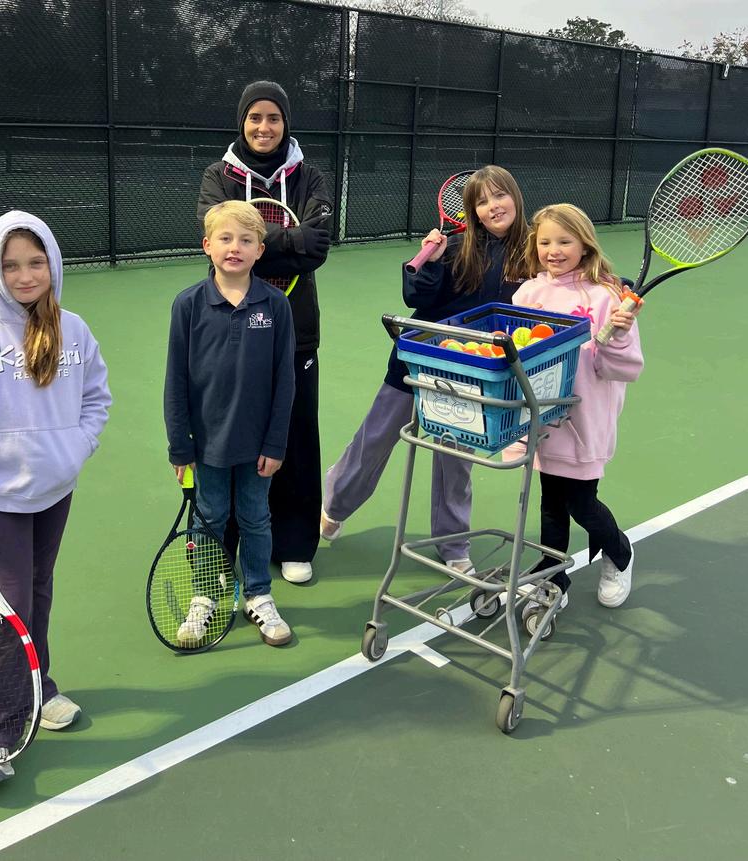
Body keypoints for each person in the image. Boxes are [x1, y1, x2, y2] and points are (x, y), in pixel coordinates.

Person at [0, 210, 111, 787]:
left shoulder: (74, 330)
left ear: (53, 264)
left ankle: (38, 688)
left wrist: (74, 449)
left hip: (54, 493)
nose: (25, 275)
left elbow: (97, 398)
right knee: (12, 612)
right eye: (10, 266)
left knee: (37, 594)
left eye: (36, 262)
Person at [321, 166, 529, 572]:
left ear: (515, 197)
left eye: (500, 195)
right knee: (376, 439)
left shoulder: (533, 249)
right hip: (418, 359)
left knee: (456, 459)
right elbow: (416, 295)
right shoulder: (455, 247)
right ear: (472, 211)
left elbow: (568, 274)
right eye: (482, 201)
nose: (493, 206)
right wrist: (429, 262)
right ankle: (336, 502)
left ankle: (453, 544)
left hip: (472, 371)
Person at [197, 80, 332, 584]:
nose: (264, 127)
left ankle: (293, 543)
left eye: (273, 117)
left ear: (285, 123)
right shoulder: (218, 176)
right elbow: (216, 240)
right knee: (233, 434)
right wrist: (288, 240)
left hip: (296, 328)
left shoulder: (309, 176)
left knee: (295, 431)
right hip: (230, 327)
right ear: (243, 121)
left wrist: (258, 242)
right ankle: (225, 545)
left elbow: (317, 246)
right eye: (255, 117)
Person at [165, 200, 296, 647]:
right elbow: (175, 381)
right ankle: (205, 595)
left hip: (258, 447)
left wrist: (275, 444)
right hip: (206, 447)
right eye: (225, 238)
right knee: (210, 520)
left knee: (256, 518)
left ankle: (258, 594)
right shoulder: (187, 305)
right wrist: (179, 446)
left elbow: (285, 382)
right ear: (207, 245)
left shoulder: (276, 306)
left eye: (245, 240)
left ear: (260, 250)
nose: (234, 247)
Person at [508, 203, 643, 617]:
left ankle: (620, 552)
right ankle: (553, 576)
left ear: (585, 244)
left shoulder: (606, 298)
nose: (553, 250)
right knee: (551, 502)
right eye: (545, 241)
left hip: (584, 422)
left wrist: (618, 336)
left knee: (581, 504)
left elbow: (622, 368)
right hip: (543, 419)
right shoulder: (527, 294)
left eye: (564, 241)